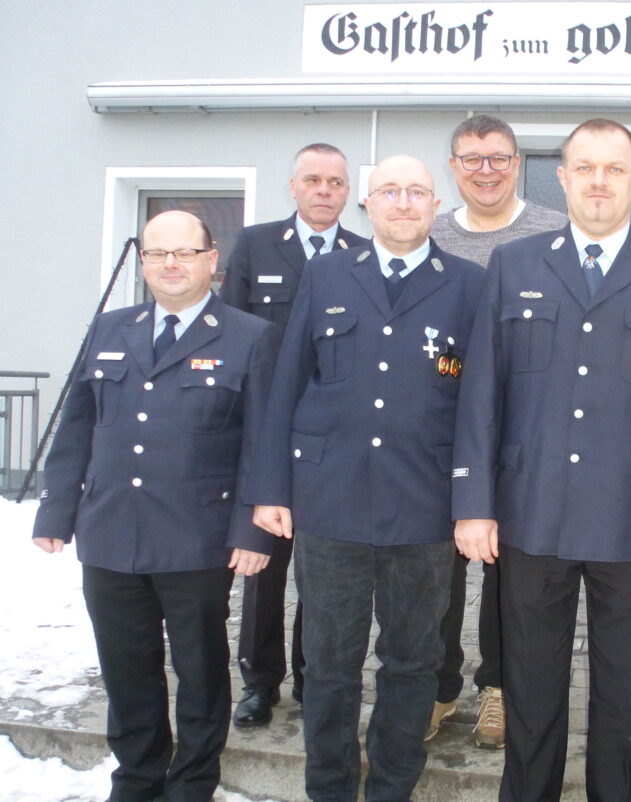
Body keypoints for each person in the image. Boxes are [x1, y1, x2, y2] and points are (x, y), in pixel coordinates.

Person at [451, 118, 631, 801]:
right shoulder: (516, 265)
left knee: (623, 697)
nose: (598, 181)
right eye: (585, 167)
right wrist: (474, 506)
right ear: (564, 179)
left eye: (613, 169)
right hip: (531, 515)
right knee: (531, 692)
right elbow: (482, 393)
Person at [247, 155, 485, 802]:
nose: (403, 202)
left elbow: (481, 405)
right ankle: (327, 788)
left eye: (416, 192)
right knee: (328, 667)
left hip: (424, 507)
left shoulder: (468, 285)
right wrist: (270, 488)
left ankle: (389, 789)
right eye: (389, 191)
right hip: (330, 504)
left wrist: (475, 503)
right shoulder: (326, 276)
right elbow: (287, 382)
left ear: (436, 205)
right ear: (368, 206)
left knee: (413, 665)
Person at [32, 210, 279, 802]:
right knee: (126, 671)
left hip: (196, 537)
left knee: (199, 673)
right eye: (157, 253)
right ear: (143, 262)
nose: (171, 264)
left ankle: (193, 783)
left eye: (184, 253)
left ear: (211, 260)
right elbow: (78, 427)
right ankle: (137, 778)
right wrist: (56, 512)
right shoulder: (111, 328)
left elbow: (263, 442)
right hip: (111, 532)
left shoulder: (249, 335)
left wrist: (252, 529)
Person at [428, 113, 566, 749]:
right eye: (471, 159)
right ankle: (437, 687)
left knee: (509, 576)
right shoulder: (427, 236)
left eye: (498, 158)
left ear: (518, 164)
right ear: (453, 167)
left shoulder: (553, 234)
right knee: (436, 571)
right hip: (435, 434)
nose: (485, 170)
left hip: (519, 438)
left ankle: (499, 691)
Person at [219, 142, 369, 728]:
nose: (325, 190)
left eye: (335, 181)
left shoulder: (364, 252)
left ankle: (314, 677)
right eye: (314, 179)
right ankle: (259, 681)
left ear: (347, 191)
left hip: (334, 437)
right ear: (294, 186)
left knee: (323, 565)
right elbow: (233, 330)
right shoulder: (256, 245)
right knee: (264, 562)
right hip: (269, 430)